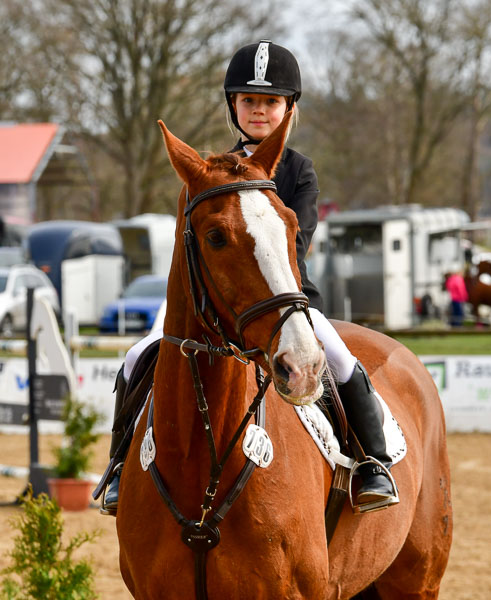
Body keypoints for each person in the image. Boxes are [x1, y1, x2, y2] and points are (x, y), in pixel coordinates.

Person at [103, 40, 398, 515]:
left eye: (271, 102)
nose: (259, 111)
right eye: (249, 101)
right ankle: (119, 467)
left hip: (284, 295)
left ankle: (373, 463)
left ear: (289, 108)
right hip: (208, 298)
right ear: (233, 106)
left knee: (339, 359)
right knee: (138, 355)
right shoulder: (212, 172)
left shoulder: (299, 170)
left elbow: (293, 248)